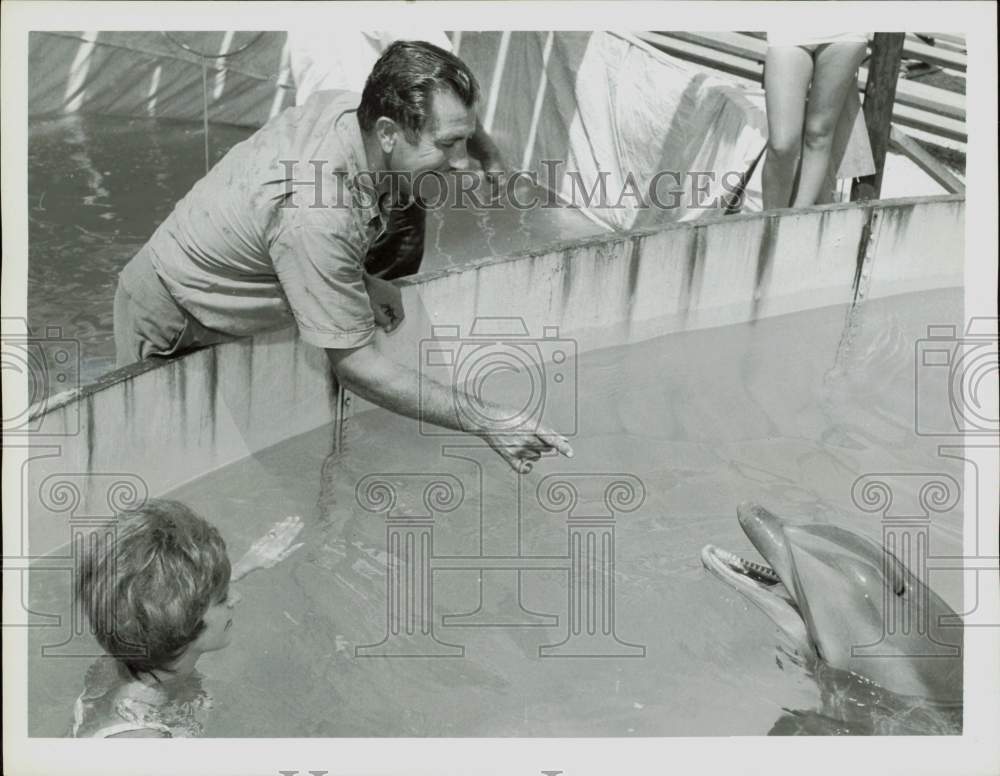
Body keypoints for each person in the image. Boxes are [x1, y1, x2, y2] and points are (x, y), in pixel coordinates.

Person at [113, 40, 564, 474]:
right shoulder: (317, 212)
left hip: (237, 279)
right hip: (173, 318)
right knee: (156, 467)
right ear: (388, 132)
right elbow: (356, 367)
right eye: (447, 144)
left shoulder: (354, 111)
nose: (462, 161)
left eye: (464, 140)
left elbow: (285, 234)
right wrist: (487, 419)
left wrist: (362, 282)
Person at [70, 499, 304, 737]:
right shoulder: (145, 742)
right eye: (223, 598)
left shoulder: (130, 650)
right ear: (185, 624)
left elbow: (163, 598)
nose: (237, 599)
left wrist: (245, 565)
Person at [761, 33, 871, 209]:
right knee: (782, 145)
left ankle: (797, 221)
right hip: (791, 22)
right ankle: (769, 226)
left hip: (846, 27)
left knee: (819, 133)